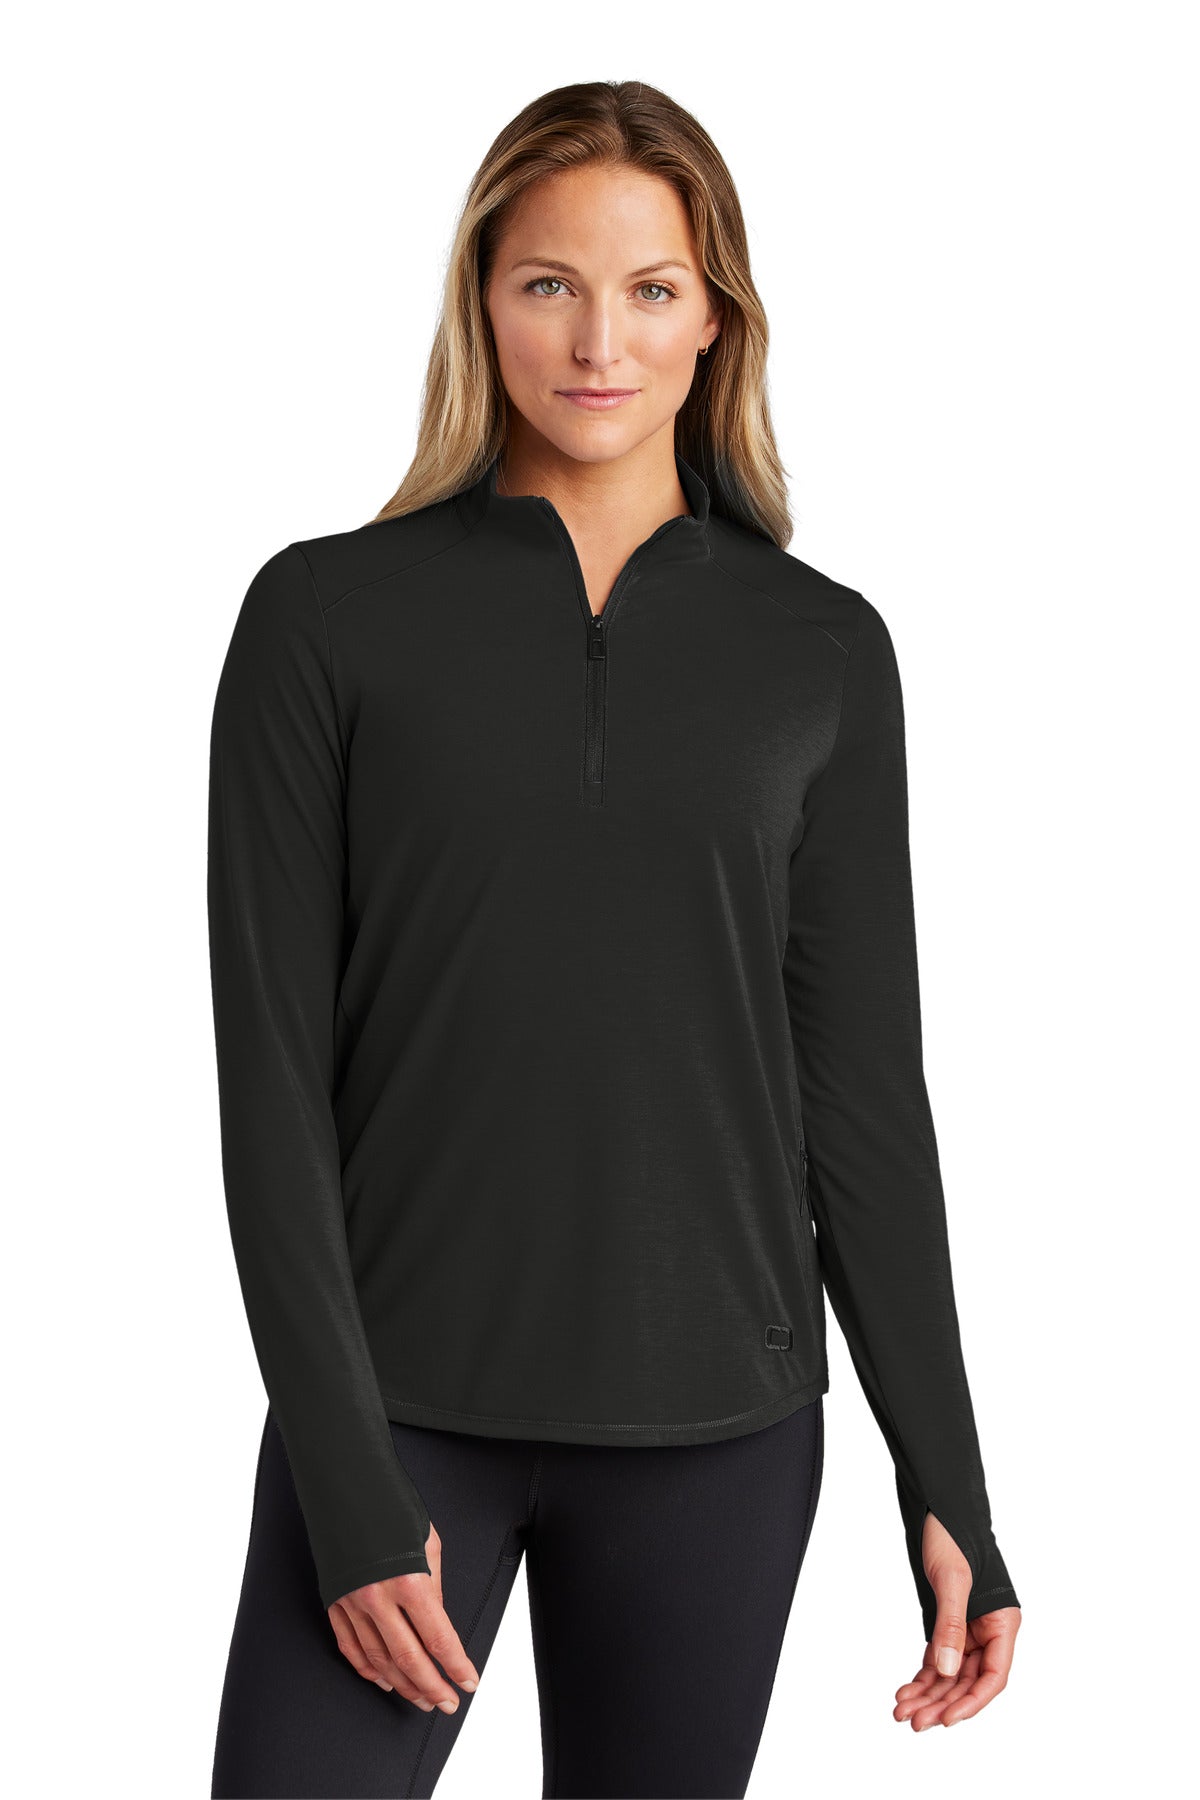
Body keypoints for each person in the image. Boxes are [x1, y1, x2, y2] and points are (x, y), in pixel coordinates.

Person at [207, 78, 1021, 1800]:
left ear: (715, 317)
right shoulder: (322, 620)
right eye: (548, 284)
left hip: (718, 1443)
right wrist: (346, 1486)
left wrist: (944, 1477)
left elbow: (863, 1105)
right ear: (480, 299)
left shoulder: (819, 652)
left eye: (651, 289)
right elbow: (271, 1085)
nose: (599, 341)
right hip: (398, 1418)